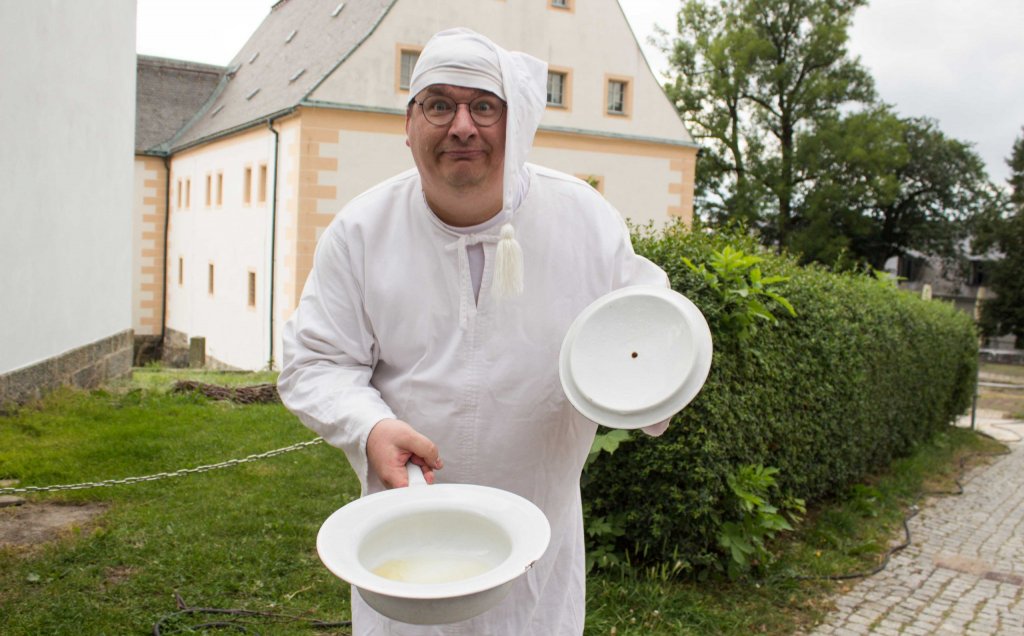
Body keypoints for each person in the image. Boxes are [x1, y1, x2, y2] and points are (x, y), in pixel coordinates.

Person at [278, 27, 673, 635]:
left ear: (514, 123)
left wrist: (651, 383)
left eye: (484, 106)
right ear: (408, 124)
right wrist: (371, 425)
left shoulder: (584, 221)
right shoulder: (361, 232)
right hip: (403, 534)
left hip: (537, 541)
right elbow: (315, 363)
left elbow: (645, 335)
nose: (463, 125)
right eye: (439, 104)